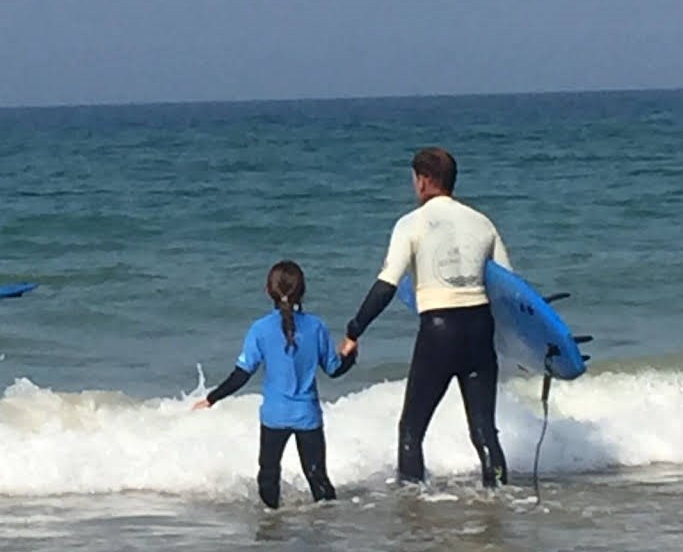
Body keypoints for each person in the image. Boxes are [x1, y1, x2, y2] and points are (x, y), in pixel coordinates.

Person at [340, 147, 510, 488]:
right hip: (480, 329)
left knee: (412, 429)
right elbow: (508, 288)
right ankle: (501, 502)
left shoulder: (411, 223)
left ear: (424, 180)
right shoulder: (482, 222)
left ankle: (413, 507)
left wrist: (354, 330)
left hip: (440, 332)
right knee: (483, 430)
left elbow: (387, 284)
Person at [193, 260, 356, 509]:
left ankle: (272, 532)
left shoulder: (260, 329)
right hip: (307, 416)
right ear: (303, 291)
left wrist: (212, 398)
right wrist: (350, 354)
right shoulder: (316, 326)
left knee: (268, 478)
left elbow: (242, 374)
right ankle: (325, 534)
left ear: (268, 290)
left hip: (274, 416)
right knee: (318, 480)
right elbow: (334, 369)